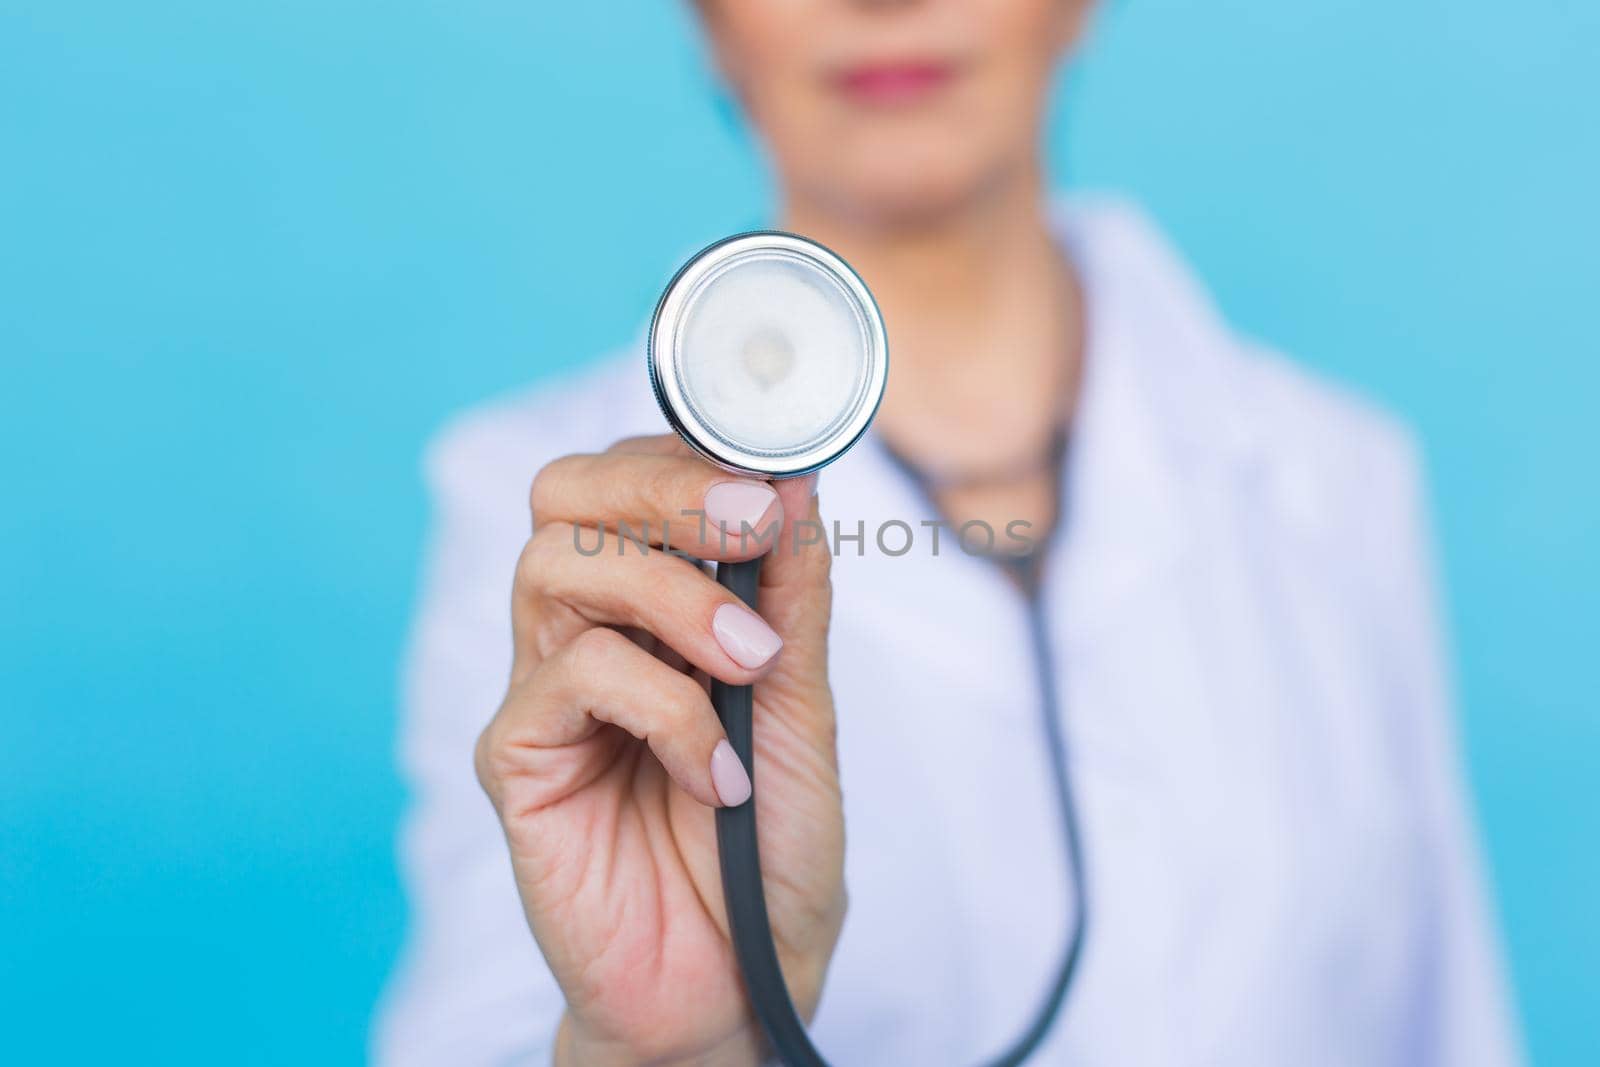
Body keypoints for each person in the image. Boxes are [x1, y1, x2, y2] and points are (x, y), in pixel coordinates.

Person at [374, 2, 1521, 1064]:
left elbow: (1447, 1024)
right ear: (707, 21)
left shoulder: (1339, 477)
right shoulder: (538, 519)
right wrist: (658, 1050)